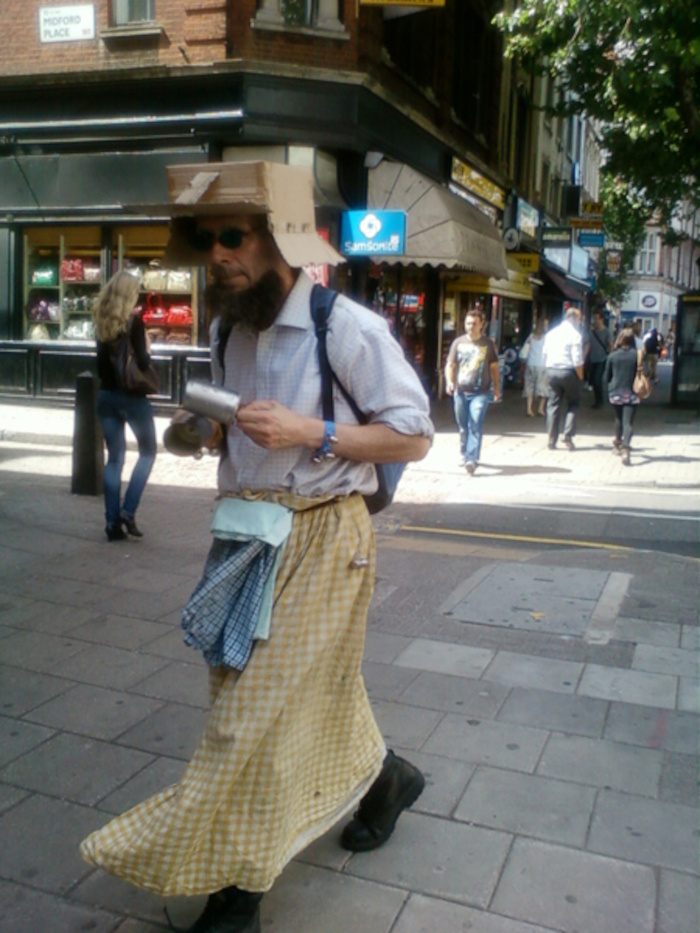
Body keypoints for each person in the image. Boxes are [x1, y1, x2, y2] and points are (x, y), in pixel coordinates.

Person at [80, 161, 434, 933]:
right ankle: (388, 781)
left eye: (232, 236)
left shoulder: (349, 328)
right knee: (305, 691)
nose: (217, 254)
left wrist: (316, 431)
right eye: (206, 239)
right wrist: (205, 430)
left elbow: (414, 435)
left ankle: (237, 892)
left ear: (280, 237)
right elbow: (238, 430)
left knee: (253, 715)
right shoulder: (225, 326)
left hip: (326, 537)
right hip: (245, 536)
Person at [93, 270, 157, 541]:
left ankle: (111, 524)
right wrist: (147, 351)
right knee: (148, 452)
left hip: (106, 396)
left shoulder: (101, 320)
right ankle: (127, 511)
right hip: (132, 398)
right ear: (129, 294)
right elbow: (142, 362)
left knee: (115, 459)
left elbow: (98, 365)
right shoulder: (135, 323)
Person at [444, 307, 500, 475]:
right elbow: (450, 365)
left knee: (475, 423)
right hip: (460, 392)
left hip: (480, 393)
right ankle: (465, 452)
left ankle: (472, 459)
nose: (471, 326)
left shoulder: (488, 344)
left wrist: (496, 388)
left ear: (481, 324)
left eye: (474, 323)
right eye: (468, 323)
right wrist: (449, 382)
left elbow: (494, 367)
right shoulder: (458, 343)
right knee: (463, 426)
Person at [542, 306, 584, 450]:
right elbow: (577, 359)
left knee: (553, 404)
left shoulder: (551, 333)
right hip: (568, 371)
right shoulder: (575, 335)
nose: (579, 322)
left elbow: (545, 354)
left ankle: (551, 439)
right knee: (573, 403)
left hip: (552, 371)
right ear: (573, 319)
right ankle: (567, 435)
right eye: (579, 319)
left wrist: (547, 370)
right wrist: (581, 376)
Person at [605, 327, 641, 465]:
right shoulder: (637, 355)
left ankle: (617, 444)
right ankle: (626, 449)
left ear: (619, 340)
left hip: (616, 392)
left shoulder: (613, 356)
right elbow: (646, 373)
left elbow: (606, 376)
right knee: (628, 422)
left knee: (618, 418)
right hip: (632, 392)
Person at [520, 316, 548, 417]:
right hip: (542, 365)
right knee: (543, 387)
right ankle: (540, 409)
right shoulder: (546, 337)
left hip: (530, 363)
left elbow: (525, 348)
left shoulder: (531, 336)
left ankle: (529, 409)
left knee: (529, 386)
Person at [587, 310, 612, 409]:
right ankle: (597, 400)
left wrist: (611, 358)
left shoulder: (607, 332)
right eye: (594, 318)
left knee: (597, 379)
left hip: (602, 359)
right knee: (593, 381)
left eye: (597, 318)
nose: (595, 321)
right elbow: (588, 345)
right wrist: (584, 357)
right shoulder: (592, 332)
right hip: (592, 359)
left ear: (602, 319)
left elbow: (610, 346)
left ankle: (600, 401)